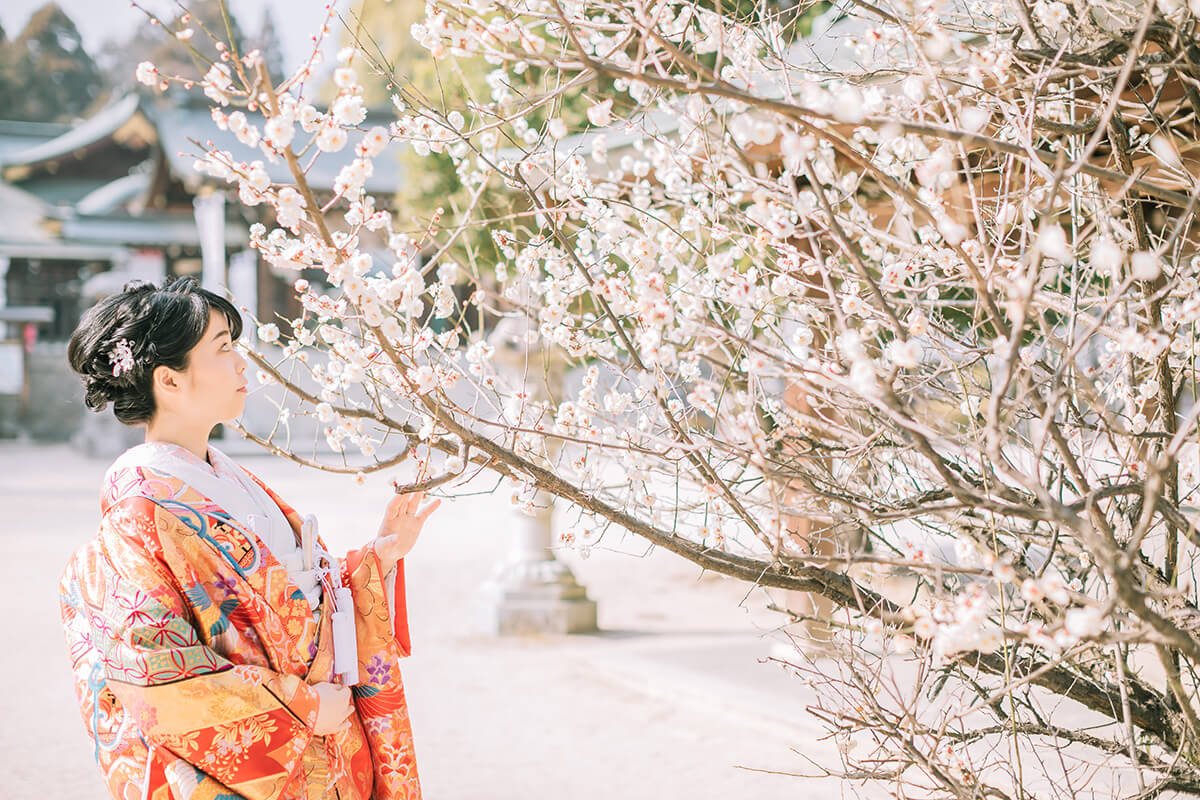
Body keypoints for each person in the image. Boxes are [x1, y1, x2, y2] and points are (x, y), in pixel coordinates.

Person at [59, 277, 439, 800]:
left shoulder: (222, 476)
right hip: (273, 761)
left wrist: (376, 558)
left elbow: (296, 595)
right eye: (223, 349)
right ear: (169, 382)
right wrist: (302, 709)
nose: (242, 364)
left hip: (325, 745)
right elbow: (152, 671)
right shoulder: (139, 510)